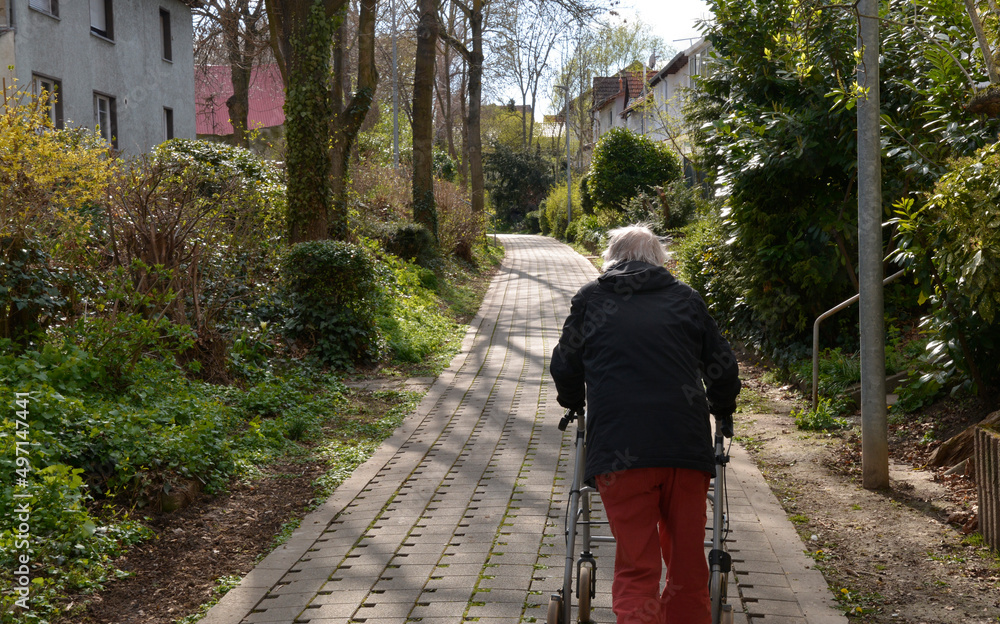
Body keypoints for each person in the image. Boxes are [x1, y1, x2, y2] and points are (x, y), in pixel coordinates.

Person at [550, 225, 741, 624]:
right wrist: (722, 410)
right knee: (687, 561)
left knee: (637, 563)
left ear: (612, 259)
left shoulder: (591, 299)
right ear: (660, 261)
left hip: (620, 455)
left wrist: (573, 402)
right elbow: (722, 371)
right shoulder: (687, 299)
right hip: (685, 451)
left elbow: (564, 365)